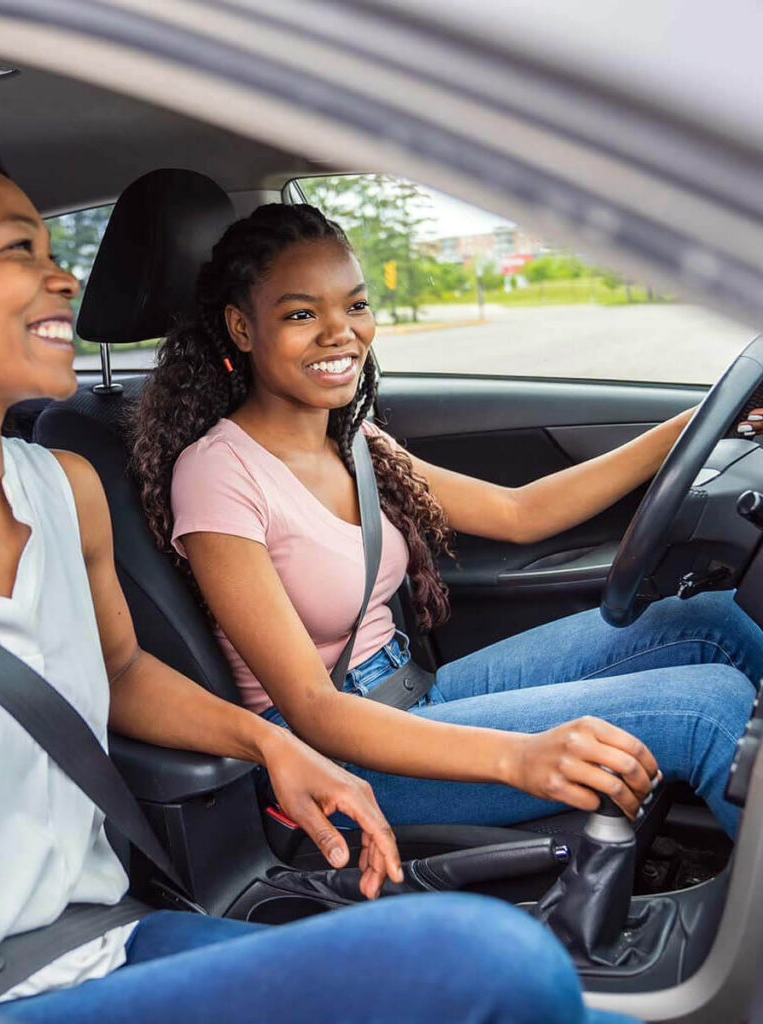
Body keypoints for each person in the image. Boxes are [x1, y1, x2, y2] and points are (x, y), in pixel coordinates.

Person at [0, 128, 637, 1024]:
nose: (63, 280)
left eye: (56, 254)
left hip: (96, 945)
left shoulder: (65, 489)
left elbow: (121, 673)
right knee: (479, 960)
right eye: (19, 249)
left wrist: (273, 744)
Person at [132, 202, 763, 840]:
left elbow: (521, 513)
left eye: (354, 306)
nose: (339, 332)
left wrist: (703, 423)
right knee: (706, 708)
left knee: (706, 622)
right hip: (335, 758)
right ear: (241, 328)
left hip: (412, 694)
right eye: (301, 313)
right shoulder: (217, 474)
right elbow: (315, 711)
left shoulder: (356, 440)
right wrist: (518, 757)